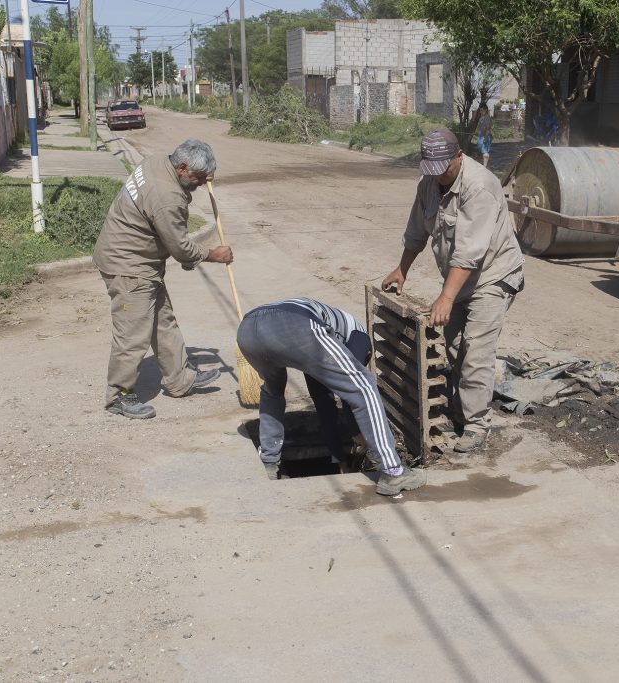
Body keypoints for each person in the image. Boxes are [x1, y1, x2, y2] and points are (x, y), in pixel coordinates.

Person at [382, 129, 525, 454]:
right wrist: (401, 270)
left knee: (475, 350)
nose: (436, 177)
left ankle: (476, 427)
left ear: (459, 156)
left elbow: (469, 253)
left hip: (492, 276)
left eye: (442, 170)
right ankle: (462, 412)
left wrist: (445, 297)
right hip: (459, 280)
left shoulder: (480, 186)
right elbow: (416, 232)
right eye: (430, 171)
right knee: (455, 346)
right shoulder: (429, 185)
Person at [93, 139, 233, 419]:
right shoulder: (167, 196)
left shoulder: (158, 161)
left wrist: (204, 175)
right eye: (197, 179)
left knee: (162, 321)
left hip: (138, 261)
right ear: (182, 168)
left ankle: (179, 379)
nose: (200, 184)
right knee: (132, 334)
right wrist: (213, 255)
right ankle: (119, 396)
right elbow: (180, 248)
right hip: (129, 266)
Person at [236, 297, 426, 496]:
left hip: (248, 330)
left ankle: (269, 461)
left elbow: (323, 403)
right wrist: (356, 432)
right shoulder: (359, 336)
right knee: (364, 386)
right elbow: (352, 393)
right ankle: (393, 471)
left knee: (272, 391)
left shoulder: (324, 337)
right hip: (294, 324)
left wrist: (340, 460)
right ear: (369, 352)